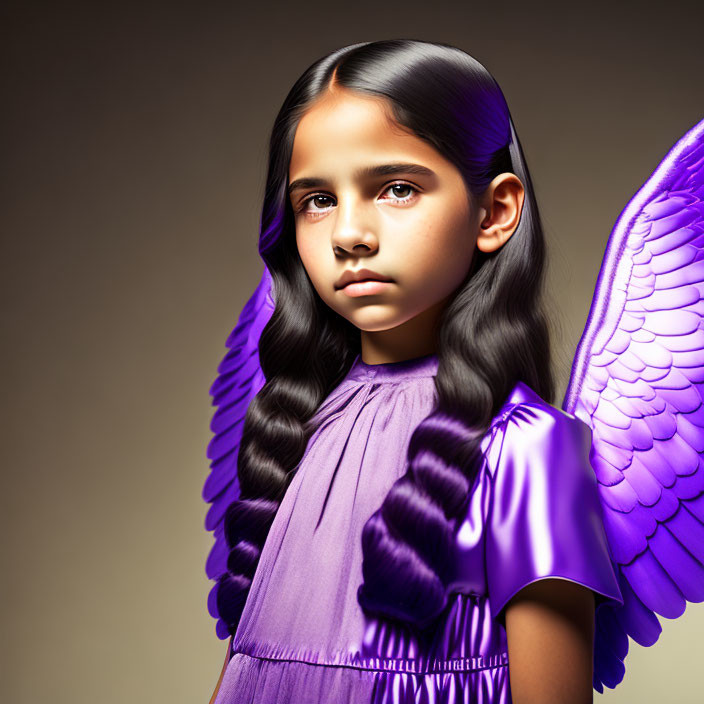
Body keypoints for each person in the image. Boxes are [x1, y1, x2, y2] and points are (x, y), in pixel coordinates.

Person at [204, 39, 622, 703]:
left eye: (396, 189)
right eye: (315, 200)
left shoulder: (526, 452)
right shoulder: (294, 425)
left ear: (496, 210)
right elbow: (247, 669)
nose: (349, 233)